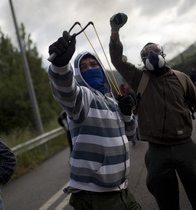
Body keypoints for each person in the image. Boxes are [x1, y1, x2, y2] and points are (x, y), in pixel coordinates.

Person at [109, 13, 196, 210]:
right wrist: (115, 32)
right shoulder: (138, 78)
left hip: (186, 146)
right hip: (157, 151)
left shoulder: (182, 78)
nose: (152, 54)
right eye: (147, 53)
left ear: (162, 54)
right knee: (166, 201)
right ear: (143, 60)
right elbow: (116, 60)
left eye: (155, 50)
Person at [47, 31, 141, 209]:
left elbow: (129, 134)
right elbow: (67, 92)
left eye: (93, 64)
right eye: (84, 67)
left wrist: (127, 113)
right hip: (95, 197)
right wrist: (60, 66)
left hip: (123, 190)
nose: (90, 68)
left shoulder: (112, 100)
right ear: (77, 74)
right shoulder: (84, 98)